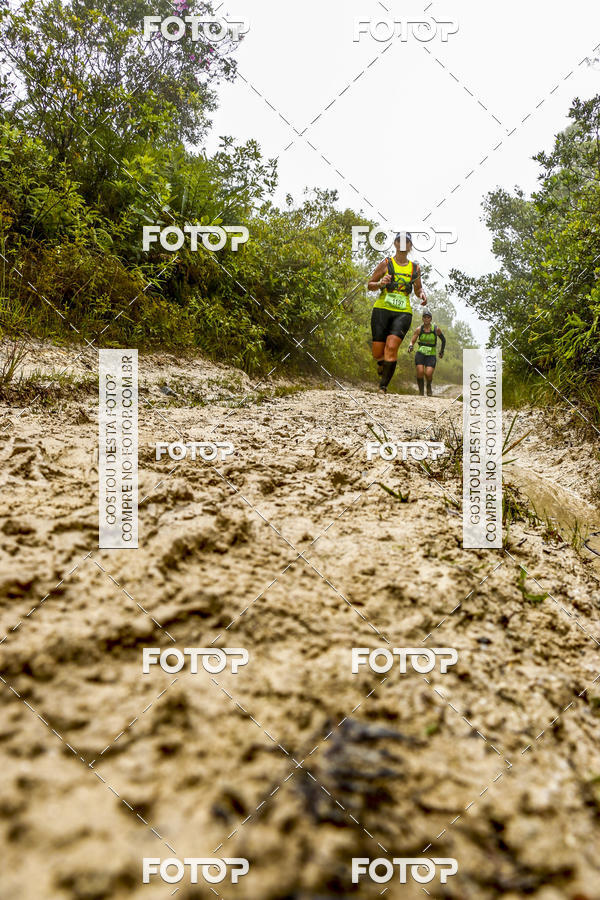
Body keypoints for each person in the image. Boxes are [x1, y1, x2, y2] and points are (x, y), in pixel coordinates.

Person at [368, 232, 427, 393]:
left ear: (410, 246)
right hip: (381, 310)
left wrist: (421, 294)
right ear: (394, 244)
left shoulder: (415, 268)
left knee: (392, 347)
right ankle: (382, 365)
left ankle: (383, 386)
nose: (402, 244)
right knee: (377, 352)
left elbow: (418, 288)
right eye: (399, 241)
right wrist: (381, 283)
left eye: (406, 242)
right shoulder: (386, 263)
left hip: (403, 312)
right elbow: (370, 284)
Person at [408, 307, 446, 396]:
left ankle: (428, 385)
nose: (426, 319)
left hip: (431, 354)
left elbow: (443, 340)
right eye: (424, 317)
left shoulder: (436, 329)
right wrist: (410, 346)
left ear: (431, 318)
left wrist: (441, 351)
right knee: (420, 372)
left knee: (428, 373)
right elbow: (412, 340)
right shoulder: (419, 329)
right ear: (422, 318)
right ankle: (421, 392)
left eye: (428, 317)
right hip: (420, 353)